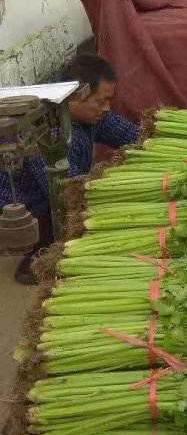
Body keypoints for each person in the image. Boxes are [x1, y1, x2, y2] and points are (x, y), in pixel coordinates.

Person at [0, 54, 138, 284]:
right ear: (75, 98)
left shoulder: (93, 117)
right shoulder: (47, 132)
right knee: (67, 220)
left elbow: (131, 135)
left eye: (109, 100)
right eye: (101, 101)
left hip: (53, 193)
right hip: (25, 206)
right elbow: (68, 194)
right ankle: (37, 261)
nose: (107, 108)